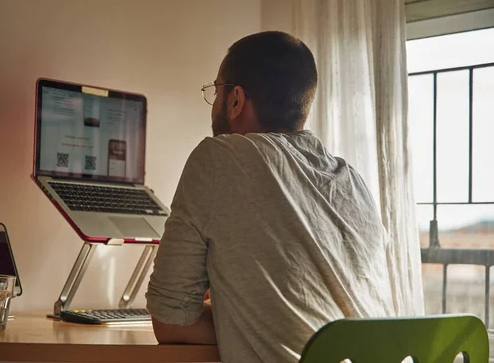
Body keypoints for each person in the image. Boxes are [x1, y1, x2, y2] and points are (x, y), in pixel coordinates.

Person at [145, 31, 394, 362]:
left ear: (235, 98)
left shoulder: (219, 157)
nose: (214, 102)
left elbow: (171, 324)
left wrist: (238, 316)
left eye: (216, 90)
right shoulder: (350, 179)